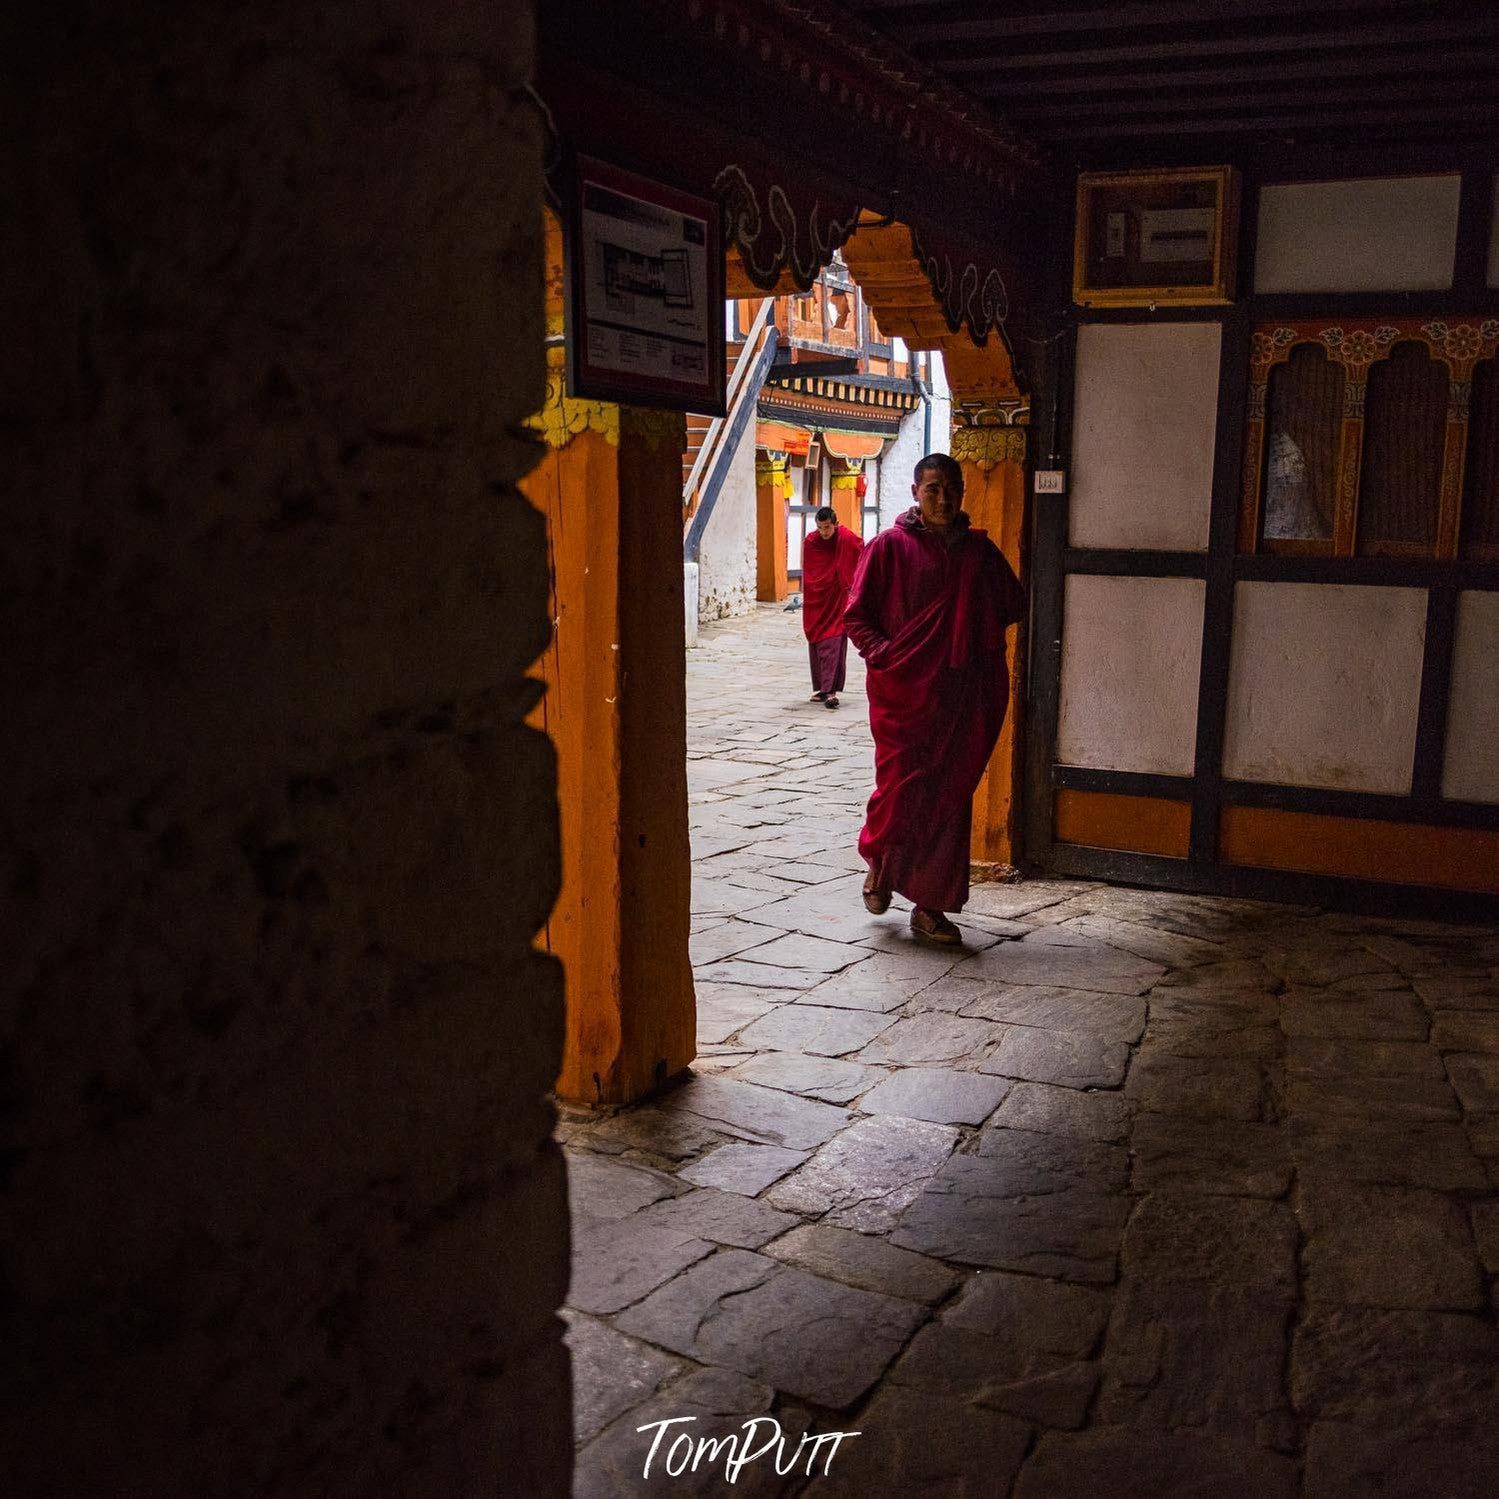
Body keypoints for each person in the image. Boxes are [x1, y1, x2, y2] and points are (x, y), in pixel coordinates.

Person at [843, 453, 1026, 946]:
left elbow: (1012, 604)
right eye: (933, 490)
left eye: (952, 489)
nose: (944, 499)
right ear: (915, 493)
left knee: (949, 799)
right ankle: (880, 867)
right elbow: (856, 617)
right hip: (905, 695)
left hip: (961, 698)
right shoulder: (888, 548)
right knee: (901, 788)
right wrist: (887, 655)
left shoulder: (979, 554)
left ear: (963, 492)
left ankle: (930, 907)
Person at [799, 504, 863, 710]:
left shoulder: (846, 538)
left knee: (833, 643)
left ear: (836, 524)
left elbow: (861, 553)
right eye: (820, 528)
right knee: (817, 642)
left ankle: (831, 691)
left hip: (837, 599)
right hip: (817, 600)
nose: (824, 532)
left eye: (827, 527)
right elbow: (810, 572)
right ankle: (821, 688)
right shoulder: (811, 541)